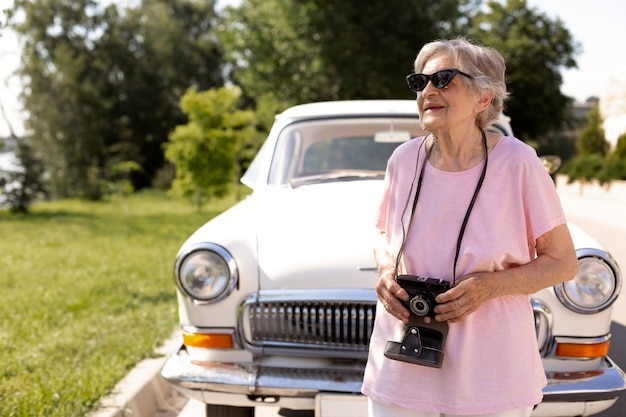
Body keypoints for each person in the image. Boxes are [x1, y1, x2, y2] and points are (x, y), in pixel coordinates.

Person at [361, 38, 579, 417]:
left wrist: (489, 286)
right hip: (401, 370)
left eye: (443, 79)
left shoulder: (519, 162)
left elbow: (563, 262)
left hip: (491, 379)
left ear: (483, 98)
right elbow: (382, 234)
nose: (428, 90)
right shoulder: (403, 160)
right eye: (420, 82)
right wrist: (385, 271)